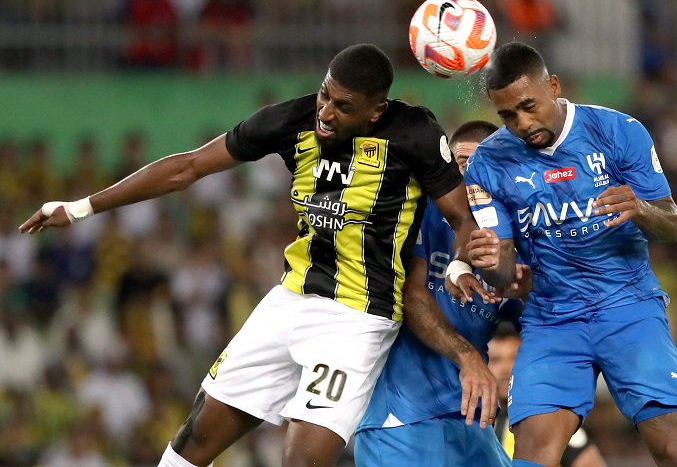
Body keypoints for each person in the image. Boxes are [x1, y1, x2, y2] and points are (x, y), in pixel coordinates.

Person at [18, 44, 496, 467]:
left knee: (302, 459)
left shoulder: (414, 133)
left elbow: (461, 217)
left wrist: (458, 263)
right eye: (324, 95)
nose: (326, 112)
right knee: (195, 437)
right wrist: (81, 207)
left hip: (357, 318)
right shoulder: (290, 120)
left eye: (343, 106)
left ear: (376, 111)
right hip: (290, 300)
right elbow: (188, 167)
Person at [464, 41, 677, 467]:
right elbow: (503, 270)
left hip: (628, 307)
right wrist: (490, 264)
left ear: (553, 86)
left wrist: (641, 208)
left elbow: (673, 226)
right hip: (552, 319)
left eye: (528, 106)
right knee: (532, 456)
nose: (523, 123)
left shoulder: (618, 131)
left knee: (674, 449)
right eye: (507, 115)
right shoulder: (488, 162)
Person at [354, 120, 525, 466]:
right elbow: (410, 296)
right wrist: (468, 357)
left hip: (471, 415)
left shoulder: (510, 238)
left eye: (485, 165)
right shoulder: (420, 211)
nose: (472, 177)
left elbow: (534, 316)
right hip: (404, 415)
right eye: (462, 164)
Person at [488, 323, 608, 467]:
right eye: (496, 360)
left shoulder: (548, 416)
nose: (505, 368)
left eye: (514, 358)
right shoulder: (480, 422)